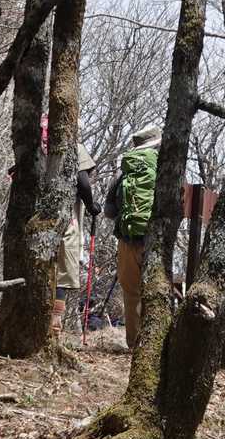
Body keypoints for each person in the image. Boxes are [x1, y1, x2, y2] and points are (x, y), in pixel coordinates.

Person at [103, 124, 160, 350]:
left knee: (131, 293)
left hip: (127, 240)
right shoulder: (164, 168)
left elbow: (109, 211)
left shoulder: (124, 171)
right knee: (156, 292)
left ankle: (135, 345)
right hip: (156, 241)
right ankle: (154, 346)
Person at [54, 145, 99, 335]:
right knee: (62, 276)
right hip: (65, 221)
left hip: (33, 220)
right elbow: (83, 181)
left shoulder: (35, 144)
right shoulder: (73, 146)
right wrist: (91, 206)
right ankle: (54, 326)